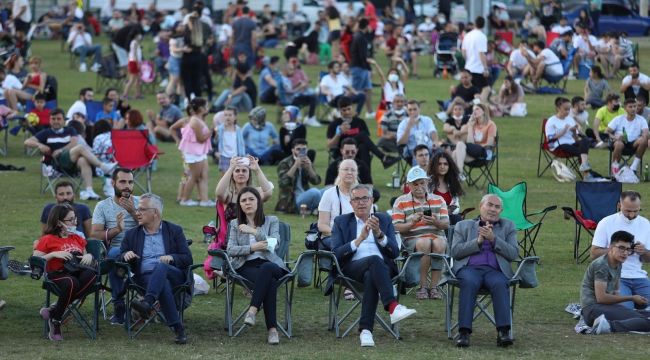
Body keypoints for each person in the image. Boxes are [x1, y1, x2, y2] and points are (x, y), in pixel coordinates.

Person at [330, 184, 417, 347]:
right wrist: (359, 239)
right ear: (351, 203)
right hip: (351, 268)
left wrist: (379, 234)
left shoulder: (383, 219)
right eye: (356, 199)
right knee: (374, 260)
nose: (361, 202)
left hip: (380, 271)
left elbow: (394, 252)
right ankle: (392, 305)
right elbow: (337, 254)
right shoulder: (341, 221)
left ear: (371, 201)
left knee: (372, 274)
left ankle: (366, 331)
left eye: (365, 198)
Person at [121, 193, 193, 345]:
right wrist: (125, 254)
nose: (137, 212)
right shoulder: (132, 234)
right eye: (137, 209)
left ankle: (147, 301)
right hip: (144, 277)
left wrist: (172, 257)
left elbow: (187, 258)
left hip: (174, 275)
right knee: (163, 284)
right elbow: (121, 256)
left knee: (162, 267)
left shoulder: (174, 230)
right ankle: (178, 329)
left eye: (142, 209)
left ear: (155, 213)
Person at [451, 194, 518, 348]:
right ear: (481, 206)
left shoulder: (508, 226)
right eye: (490, 205)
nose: (493, 209)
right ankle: (464, 333)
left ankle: (504, 332)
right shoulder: (463, 225)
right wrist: (478, 242)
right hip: (469, 269)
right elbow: (455, 251)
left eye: (497, 207)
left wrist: (494, 239)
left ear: (501, 210)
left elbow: (513, 254)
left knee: (500, 283)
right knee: (468, 282)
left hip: (495, 270)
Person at [227, 187, 287, 345]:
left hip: (271, 264)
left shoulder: (272, 220)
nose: (247, 203)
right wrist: (252, 248)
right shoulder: (234, 224)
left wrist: (253, 231)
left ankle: (252, 310)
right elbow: (230, 250)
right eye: (243, 200)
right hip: (246, 266)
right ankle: (272, 330)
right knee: (270, 282)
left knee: (267, 269)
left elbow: (274, 244)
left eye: (251, 199)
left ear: (258, 202)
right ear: (239, 205)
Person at [33, 204, 96, 341]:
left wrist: (88, 256)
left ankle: (55, 311)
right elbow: (35, 260)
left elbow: (85, 257)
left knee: (93, 275)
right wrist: (54, 254)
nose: (75, 223)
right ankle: (56, 322)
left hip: (77, 272)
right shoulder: (47, 239)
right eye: (71, 220)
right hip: (57, 274)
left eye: (75, 219)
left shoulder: (77, 238)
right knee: (70, 282)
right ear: (58, 222)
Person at [24, 108, 117, 200]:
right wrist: (39, 145)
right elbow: (27, 142)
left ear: (64, 120)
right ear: (50, 120)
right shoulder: (46, 133)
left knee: (83, 160)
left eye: (58, 119)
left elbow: (74, 143)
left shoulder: (70, 130)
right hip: (57, 162)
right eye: (53, 119)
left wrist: (60, 150)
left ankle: (89, 191)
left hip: (72, 161)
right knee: (80, 148)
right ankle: (103, 166)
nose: (56, 121)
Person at [90, 168, 139, 325]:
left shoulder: (142, 203)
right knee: (113, 257)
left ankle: (142, 301)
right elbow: (95, 234)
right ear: (113, 183)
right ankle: (119, 305)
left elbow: (154, 229)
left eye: (130, 182)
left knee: (115, 261)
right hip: (116, 250)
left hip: (141, 248)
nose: (127, 186)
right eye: (123, 182)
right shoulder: (103, 206)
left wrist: (132, 212)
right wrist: (116, 230)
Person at [392, 167, 449, 300]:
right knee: (425, 241)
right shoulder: (400, 201)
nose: (419, 187)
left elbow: (446, 224)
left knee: (439, 242)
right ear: (408, 185)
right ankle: (423, 286)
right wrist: (411, 223)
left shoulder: (439, 200)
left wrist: (436, 222)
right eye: (415, 184)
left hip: (436, 236)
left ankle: (434, 287)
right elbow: (396, 227)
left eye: (422, 183)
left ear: (427, 182)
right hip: (412, 240)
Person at [590, 191, 650, 310]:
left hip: (639, 276)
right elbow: (594, 254)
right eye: (628, 211)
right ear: (619, 205)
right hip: (615, 276)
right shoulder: (606, 223)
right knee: (624, 310)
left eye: (636, 211)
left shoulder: (646, 224)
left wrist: (643, 251)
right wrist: (615, 251)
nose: (632, 215)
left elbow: (648, 259)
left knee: (642, 307)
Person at [582, 230, 650, 334]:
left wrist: (624, 309)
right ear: (610, 247)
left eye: (628, 249)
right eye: (621, 248)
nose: (625, 253)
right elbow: (601, 298)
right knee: (645, 322)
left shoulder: (618, 263)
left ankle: (610, 323)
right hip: (593, 309)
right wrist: (632, 298)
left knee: (644, 314)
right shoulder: (601, 265)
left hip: (605, 307)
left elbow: (616, 293)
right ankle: (609, 326)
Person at [327, 96, 398, 168]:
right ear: (339, 110)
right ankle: (383, 158)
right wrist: (338, 134)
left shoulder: (360, 122)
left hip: (357, 151)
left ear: (353, 107)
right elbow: (330, 146)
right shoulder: (334, 124)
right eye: (344, 110)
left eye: (349, 109)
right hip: (342, 152)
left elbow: (368, 143)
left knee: (363, 147)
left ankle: (366, 176)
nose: (347, 112)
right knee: (362, 135)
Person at [177, 98, 214, 207]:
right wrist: (211, 132)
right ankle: (185, 200)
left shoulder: (199, 119)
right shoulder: (195, 121)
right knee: (193, 177)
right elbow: (200, 139)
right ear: (201, 108)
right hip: (193, 153)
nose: (207, 108)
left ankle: (204, 200)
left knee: (203, 175)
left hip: (199, 152)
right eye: (206, 106)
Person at [545, 97, 593, 176]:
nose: (568, 112)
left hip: (571, 142)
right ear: (558, 108)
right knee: (581, 151)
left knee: (586, 140)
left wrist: (574, 131)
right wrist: (564, 130)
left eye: (569, 109)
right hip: (558, 145)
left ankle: (584, 165)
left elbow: (575, 138)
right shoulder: (551, 121)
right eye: (565, 109)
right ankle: (587, 173)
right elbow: (550, 139)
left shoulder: (570, 119)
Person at [275, 138, 321, 214]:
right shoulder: (284, 163)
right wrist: (295, 165)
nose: (301, 152)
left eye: (304, 149)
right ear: (293, 150)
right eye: (298, 149)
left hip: (305, 194)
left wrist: (309, 168)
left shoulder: (307, 161)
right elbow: (282, 183)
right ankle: (314, 210)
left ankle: (311, 210)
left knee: (327, 190)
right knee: (315, 192)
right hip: (292, 200)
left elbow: (316, 182)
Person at [451, 104, 497, 178]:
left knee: (459, 147)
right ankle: (459, 173)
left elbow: (490, 144)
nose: (474, 111)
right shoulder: (473, 124)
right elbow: (470, 143)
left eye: (477, 109)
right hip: (472, 155)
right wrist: (470, 126)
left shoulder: (491, 124)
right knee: (455, 153)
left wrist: (478, 147)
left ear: (484, 111)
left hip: (483, 155)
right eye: (473, 110)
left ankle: (457, 175)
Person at [606, 98, 648, 175]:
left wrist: (644, 135)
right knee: (619, 144)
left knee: (644, 139)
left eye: (634, 106)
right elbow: (607, 131)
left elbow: (645, 132)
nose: (633, 109)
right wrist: (615, 137)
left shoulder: (641, 120)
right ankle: (615, 170)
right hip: (619, 142)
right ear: (625, 108)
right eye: (630, 107)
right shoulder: (618, 119)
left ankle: (633, 168)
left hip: (634, 143)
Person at [318, 159, 357, 245]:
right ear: (339, 172)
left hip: (358, 238)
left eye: (353, 170)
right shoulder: (329, 194)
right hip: (332, 237)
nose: (349, 172)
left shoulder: (363, 195)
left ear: (356, 173)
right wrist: (341, 235)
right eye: (346, 169)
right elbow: (322, 226)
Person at [428, 151, 465, 225]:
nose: (442, 167)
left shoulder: (453, 182)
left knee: (458, 219)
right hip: (433, 216)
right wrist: (442, 212)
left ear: (449, 166)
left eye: (445, 164)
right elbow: (424, 205)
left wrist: (449, 211)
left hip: (450, 216)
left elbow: (456, 205)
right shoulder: (427, 182)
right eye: (439, 164)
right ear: (434, 165)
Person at [461, 16, 490, 104]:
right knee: (486, 89)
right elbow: (481, 53)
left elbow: (463, 51)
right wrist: (485, 68)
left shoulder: (467, 35)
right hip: (477, 68)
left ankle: (474, 105)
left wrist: (468, 61)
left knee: (474, 91)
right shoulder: (482, 36)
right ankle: (481, 107)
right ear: (484, 25)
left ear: (474, 24)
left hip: (468, 67)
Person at [214, 106, 245, 174]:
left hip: (236, 156)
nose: (227, 117)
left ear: (235, 117)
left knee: (235, 176)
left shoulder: (238, 130)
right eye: (225, 115)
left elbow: (241, 144)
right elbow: (215, 141)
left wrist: (242, 155)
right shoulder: (220, 129)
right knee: (224, 177)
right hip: (224, 156)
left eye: (230, 115)